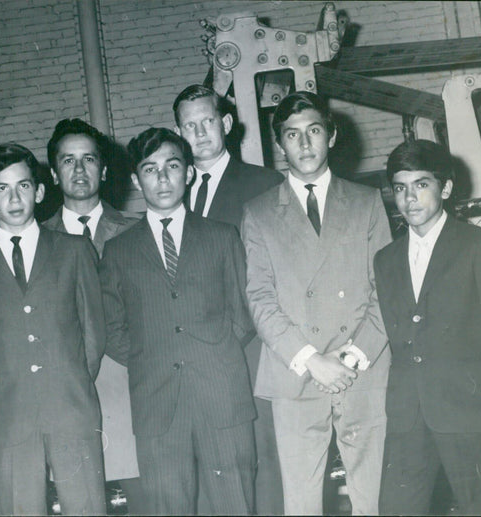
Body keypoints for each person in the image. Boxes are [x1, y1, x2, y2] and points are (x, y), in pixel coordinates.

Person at [241, 91, 391, 515]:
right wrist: (311, 359)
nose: (304, 145)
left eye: (313, 132)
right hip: (297, 374)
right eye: (292, 135)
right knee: (301, 502)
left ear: (332, 135)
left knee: (373, 496)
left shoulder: (366, 202)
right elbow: (260, 297)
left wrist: (354, 356)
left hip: (362, 368)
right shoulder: (259, 213)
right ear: (280, 144)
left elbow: (386, 291)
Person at [99, 128, 257, 515]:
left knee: (236, 504)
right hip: (157, 403)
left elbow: (245, 311)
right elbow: (110, 327)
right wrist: (151, 356)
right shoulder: (118, 251)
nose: (163, 178)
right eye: (150, 169)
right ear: (136, 180)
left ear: (188, 173)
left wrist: (212, 353)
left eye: (172, 166)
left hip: (222, 397)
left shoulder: (222, 237)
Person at [375, 140, 481, 515]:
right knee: (395, 508)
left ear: (445, 188)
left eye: (421, 185)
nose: (409, 198)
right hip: (407, 414)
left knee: (479, 509)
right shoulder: (385, 259)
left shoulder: (480, 245)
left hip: (467, 411)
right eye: (400, 188)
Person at [0, 143, 106, 515]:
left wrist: (71, 382)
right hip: (8, 419)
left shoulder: (74, 251)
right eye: (2, 188)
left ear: (39, 192)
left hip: (72, 411)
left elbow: (93, 331)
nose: (14, 197)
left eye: (23, 186)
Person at [173, 84, 284, 514]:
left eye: (207, 122)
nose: (199, 133)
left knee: (262, 462)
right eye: (189, 126)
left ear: (225, 124)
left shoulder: (265, 184)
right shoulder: (169, 191)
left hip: (249, 349)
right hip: (192, 355)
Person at [42, 118, 144, 510]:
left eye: (88, 160)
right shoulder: (37, 241)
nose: (79, 170)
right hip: (69, 391)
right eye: (68, 161)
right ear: (53, 173)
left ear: (104, 169)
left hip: (129, 384)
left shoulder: (136, 231)